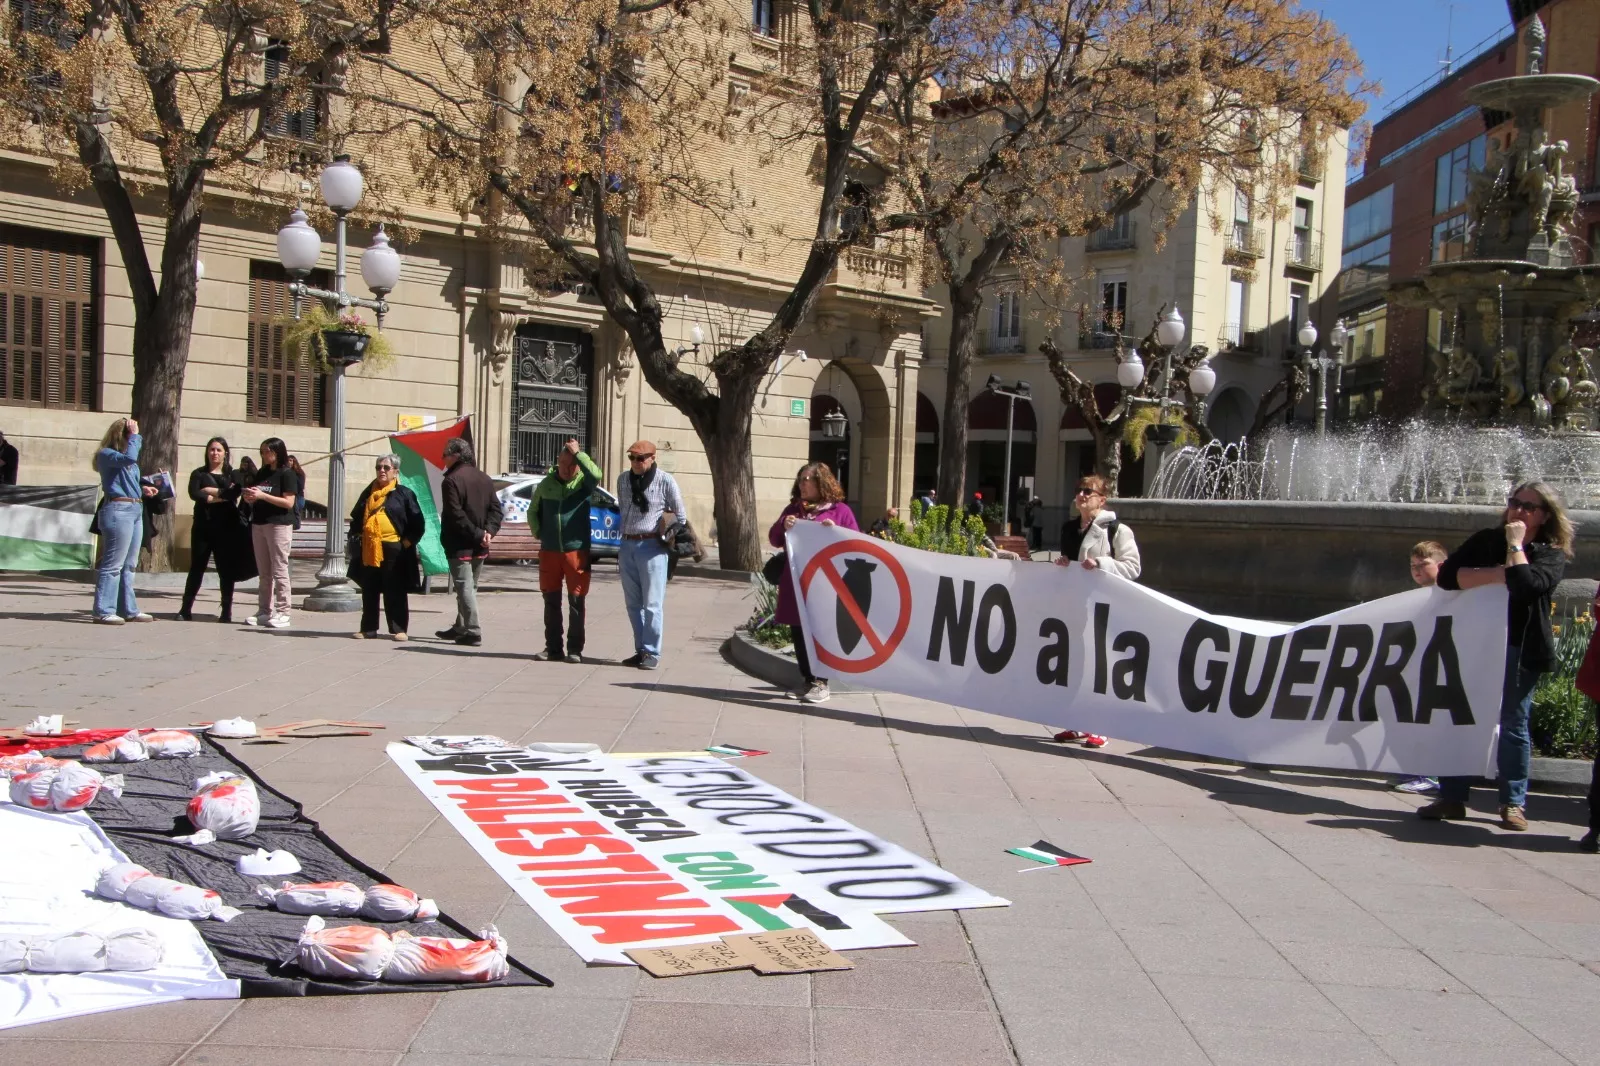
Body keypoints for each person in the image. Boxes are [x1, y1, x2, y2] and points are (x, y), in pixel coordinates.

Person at [1419, 482, 1573, 831]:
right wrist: (1500, 573)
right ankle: (1452, 796)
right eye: (1515, 502)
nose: (1518, 511)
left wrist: (1516, 546)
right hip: (1476, 641)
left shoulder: (1550, 553)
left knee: (1513, 722)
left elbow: (1527, 586)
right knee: (1462, 715)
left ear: (1545, 515)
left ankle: (1512, 803)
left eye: (1529, 507)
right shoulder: (1485, 540)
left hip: (1520, 646)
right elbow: (1446, 577)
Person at [1051, 474, 1142, 748]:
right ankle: (1077, 723)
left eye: (1087, 491)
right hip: (1077, 607)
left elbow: (1133, 567)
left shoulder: (1117, 530)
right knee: (1077, 664)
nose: (1080, 495)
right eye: (1078, 490)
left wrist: (1102, 563)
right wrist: (1063, 563)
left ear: (1101, 499)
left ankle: (1101, 726)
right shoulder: (1069, 529)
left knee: (1101, 667)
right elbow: (1069, 565)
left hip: (1105, 609)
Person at [769, 462, 859, 704]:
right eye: (801, 479)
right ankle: (808, 680)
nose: (803, 483)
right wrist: (783, 525)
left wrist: (835, 531)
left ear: (823, 482)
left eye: (808, 479)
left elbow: (855, 542)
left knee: (821, 632)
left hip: (825, 584)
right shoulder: (794, 509)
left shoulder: (840, 511)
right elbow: (774, 539)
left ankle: (822, 682)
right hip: (796, 582)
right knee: (798, 631)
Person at [528, 437, 603, 662]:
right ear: (557, 462)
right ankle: (553, 648)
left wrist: (579, 453)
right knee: (551, 601)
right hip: (550, 552)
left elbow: (596, 475)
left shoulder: (583, 484)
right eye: (563, 464)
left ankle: (574, 650)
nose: (567, 469)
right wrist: (539, 532)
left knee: (576, 602)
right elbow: (532, 511)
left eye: (572, 465)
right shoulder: (546, 484)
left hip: (576, 551)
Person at [616, 439, 685, 670]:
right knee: (633, 604)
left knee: (653, 604)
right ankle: (641, 650)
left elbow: (680, 517)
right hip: (627, 545)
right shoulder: (623, 480)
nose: (635, 462)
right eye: (632, 457)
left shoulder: (665, 480)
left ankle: (652, 652)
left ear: (652, 458)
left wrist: (664, 538)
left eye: (640, 458)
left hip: (652, 547)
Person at [347, 454, 425, 641]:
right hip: (370, 547)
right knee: (369, 588)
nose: (381, 470)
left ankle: (399, 629)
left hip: (394, 548)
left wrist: (405, 543)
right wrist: (358, 536)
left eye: (386, 468)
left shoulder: (404, 493)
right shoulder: (368, 493)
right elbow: (357, 518)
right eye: (378, 467)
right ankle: (368, 628)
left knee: (394, 588)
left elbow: (418, 523)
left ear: (395, 472)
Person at [1393, 541, 1449, 794]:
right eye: (1412, 566)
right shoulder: (1417, 597)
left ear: (1441, 565)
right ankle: (1415, 770)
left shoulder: (1449, 594)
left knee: (1431, 721)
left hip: (1440, 668)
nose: (1416, 570)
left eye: (1423, 564)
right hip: (1421, 667)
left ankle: (1430, 774)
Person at [179, 437, 255, 622]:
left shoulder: (232, 475)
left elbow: (234, 493)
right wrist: (219, 496)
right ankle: (185, 609)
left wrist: (211, 492)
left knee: (225, 570)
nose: (215, 453)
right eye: (212, 449)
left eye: (219, 450)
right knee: (197, 567)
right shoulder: (198, 473)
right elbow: (194, 493)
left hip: (227, 528)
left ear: (225, 453)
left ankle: (226, 611)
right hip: (202, 528)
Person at [91, 417, 158, 624]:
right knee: (113, 564)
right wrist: (135, 436)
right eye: (131, 436)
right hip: (118, 511)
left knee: (130, 564)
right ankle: (103, 610)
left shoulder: (126, 457)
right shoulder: (106, 454)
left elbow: (128, 476)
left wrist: (142, 489)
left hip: (135, 508)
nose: (136, 440)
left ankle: (128, 608)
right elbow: (128, 459)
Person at [436, 437, 502, 647]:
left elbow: (456, 515)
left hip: (461, 543)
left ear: (455, 456)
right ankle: (460, 626)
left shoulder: (451, 480)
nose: (442, 459)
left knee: (465, 587)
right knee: (469, 586)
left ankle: (473, 630)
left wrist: (479, 533)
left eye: (444, 455)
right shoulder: (484, 478)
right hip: (480, 543)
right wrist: (488, 532)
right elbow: (496, 510)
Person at [241, 437, 299, 629]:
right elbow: (258, 495)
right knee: (264, 572)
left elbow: (289, 503)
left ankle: (284, 611)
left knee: (279, 569)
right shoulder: (263, 473)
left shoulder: (287, 474)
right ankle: (264, 610)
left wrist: (263, 495)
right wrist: (250, 497)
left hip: (279, 525)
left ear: (277, 451)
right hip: (259, 523)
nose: (264, 454)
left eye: (267, 451)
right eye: (262, 451)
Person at [286, 455, 308, 530]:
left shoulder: (299, 473)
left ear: (294, 462)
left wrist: (292, 474)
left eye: (291, 460)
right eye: (287, 460)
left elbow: (300, 486)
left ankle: (296, 526)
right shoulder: (285, 472)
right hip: (288, 496)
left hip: (298, 498)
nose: (289, 462)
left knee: (294, 514)